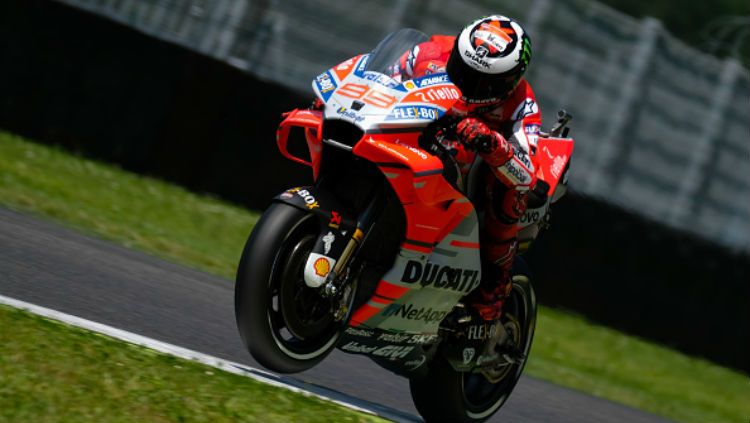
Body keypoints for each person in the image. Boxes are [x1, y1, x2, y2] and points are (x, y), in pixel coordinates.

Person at [393, 15, 540, 322]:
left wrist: (492, 143)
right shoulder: (428, 53)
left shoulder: (522, 104)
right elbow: (382, 81)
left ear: (510, 81)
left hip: (467, 170)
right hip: (409, 139)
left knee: (508, 191)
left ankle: (492, 286)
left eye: (484, 81)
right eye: (463, 70)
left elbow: (526, 173)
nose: (468, 84)